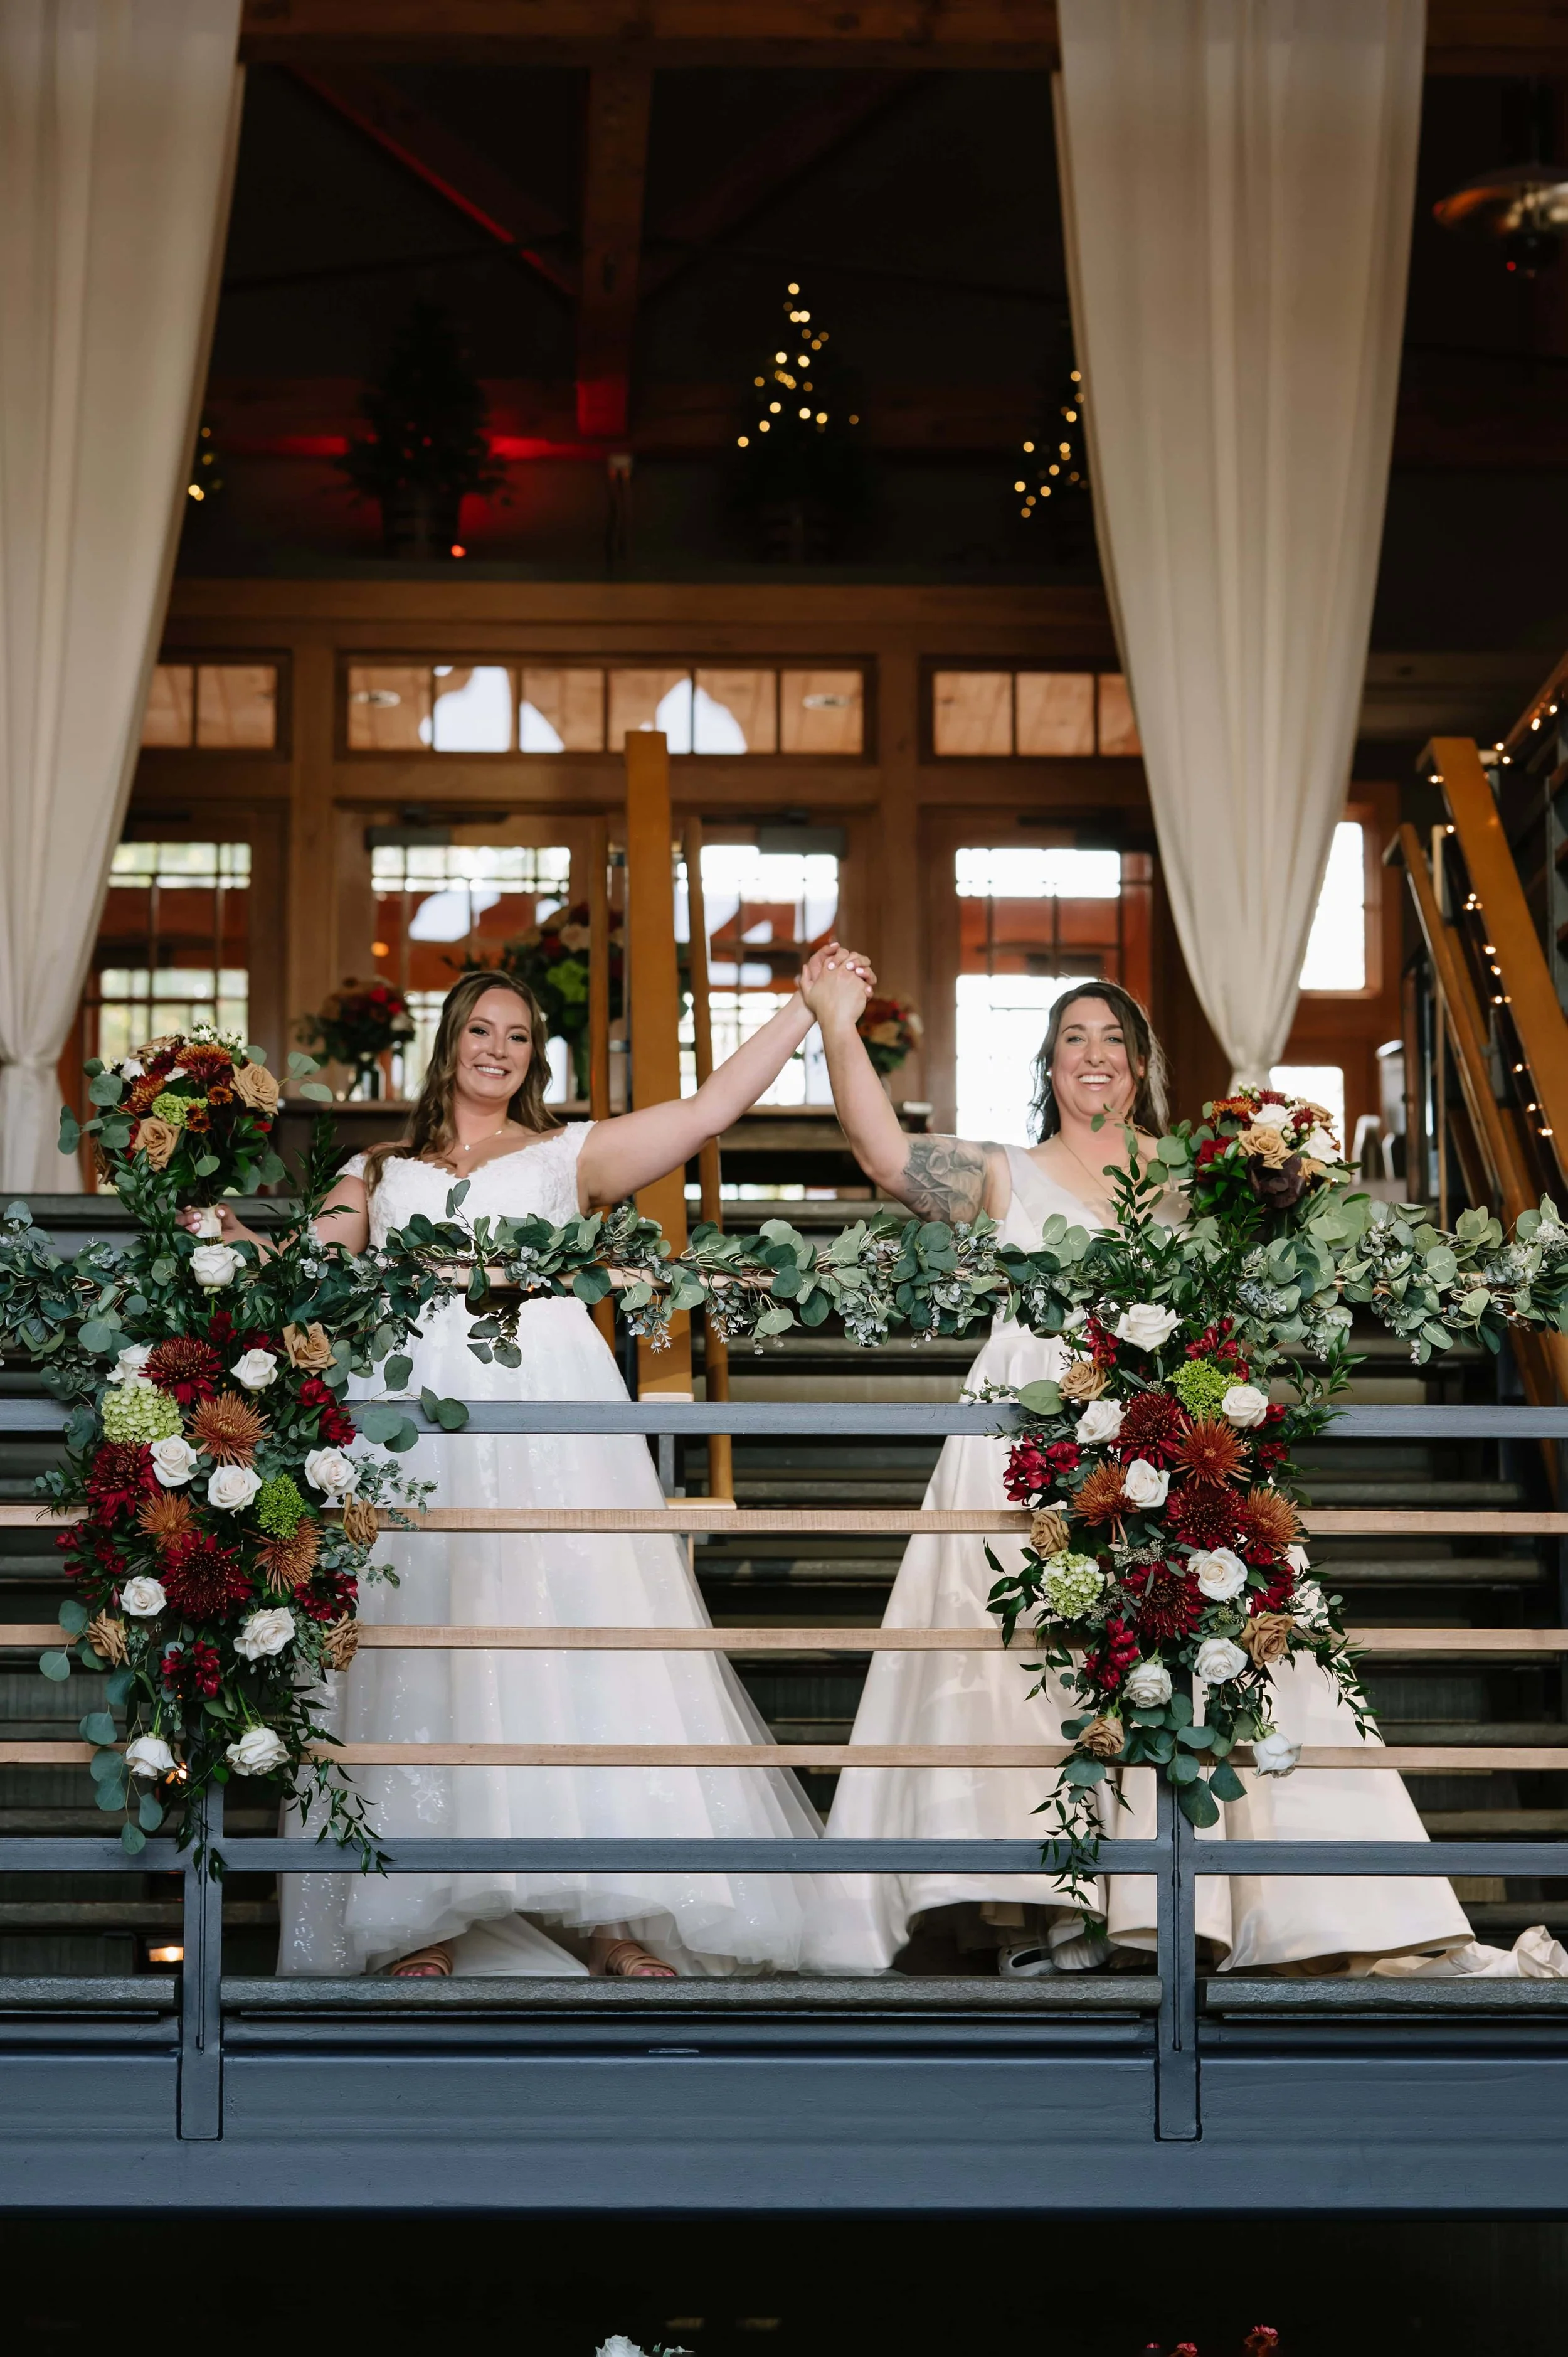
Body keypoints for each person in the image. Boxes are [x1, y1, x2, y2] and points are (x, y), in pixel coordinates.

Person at [184, 949, 872, 1980]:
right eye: (481, 1031)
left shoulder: (568, 1156)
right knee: (417, 1633)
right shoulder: (377, 1171)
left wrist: (806, 1010)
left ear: (533, 1057)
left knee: (581, 1630)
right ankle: (420, 1919)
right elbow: (310, 1274)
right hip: (407, 1420)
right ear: (448, 1043)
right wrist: (235, 1237)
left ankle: (618, 1919)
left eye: (518, 1036)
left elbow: (708, 1108)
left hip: (548, 1407)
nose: (499, 1050)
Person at [793, 969, 1474, 1979]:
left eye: (1113, 1037)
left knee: (1195, 1648)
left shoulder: (1197, 1181)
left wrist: (1282, 1185)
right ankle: (1049, 1908)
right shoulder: (1003, 1174)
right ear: (1049, 1065)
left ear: (1142, 1064)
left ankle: (1197, 1900)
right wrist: (837, 1025)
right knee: (1024, 1667)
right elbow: (882, 1154)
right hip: (1025, 1443)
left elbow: (1291, 1243)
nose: (1094, 1053)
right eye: (1073, 1037)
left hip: (1164, 1432)